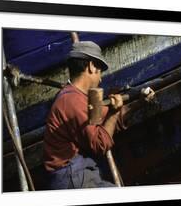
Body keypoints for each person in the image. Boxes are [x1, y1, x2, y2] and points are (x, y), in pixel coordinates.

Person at [43, 41, 154, 190]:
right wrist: (114, 113)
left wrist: (138, 104)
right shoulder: (72, 101)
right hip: (70, 177)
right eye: (100, 70)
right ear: (90, 66)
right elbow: (100, 144)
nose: (101, 78)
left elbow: (109, 121)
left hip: (76, 173)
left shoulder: (78, 97)